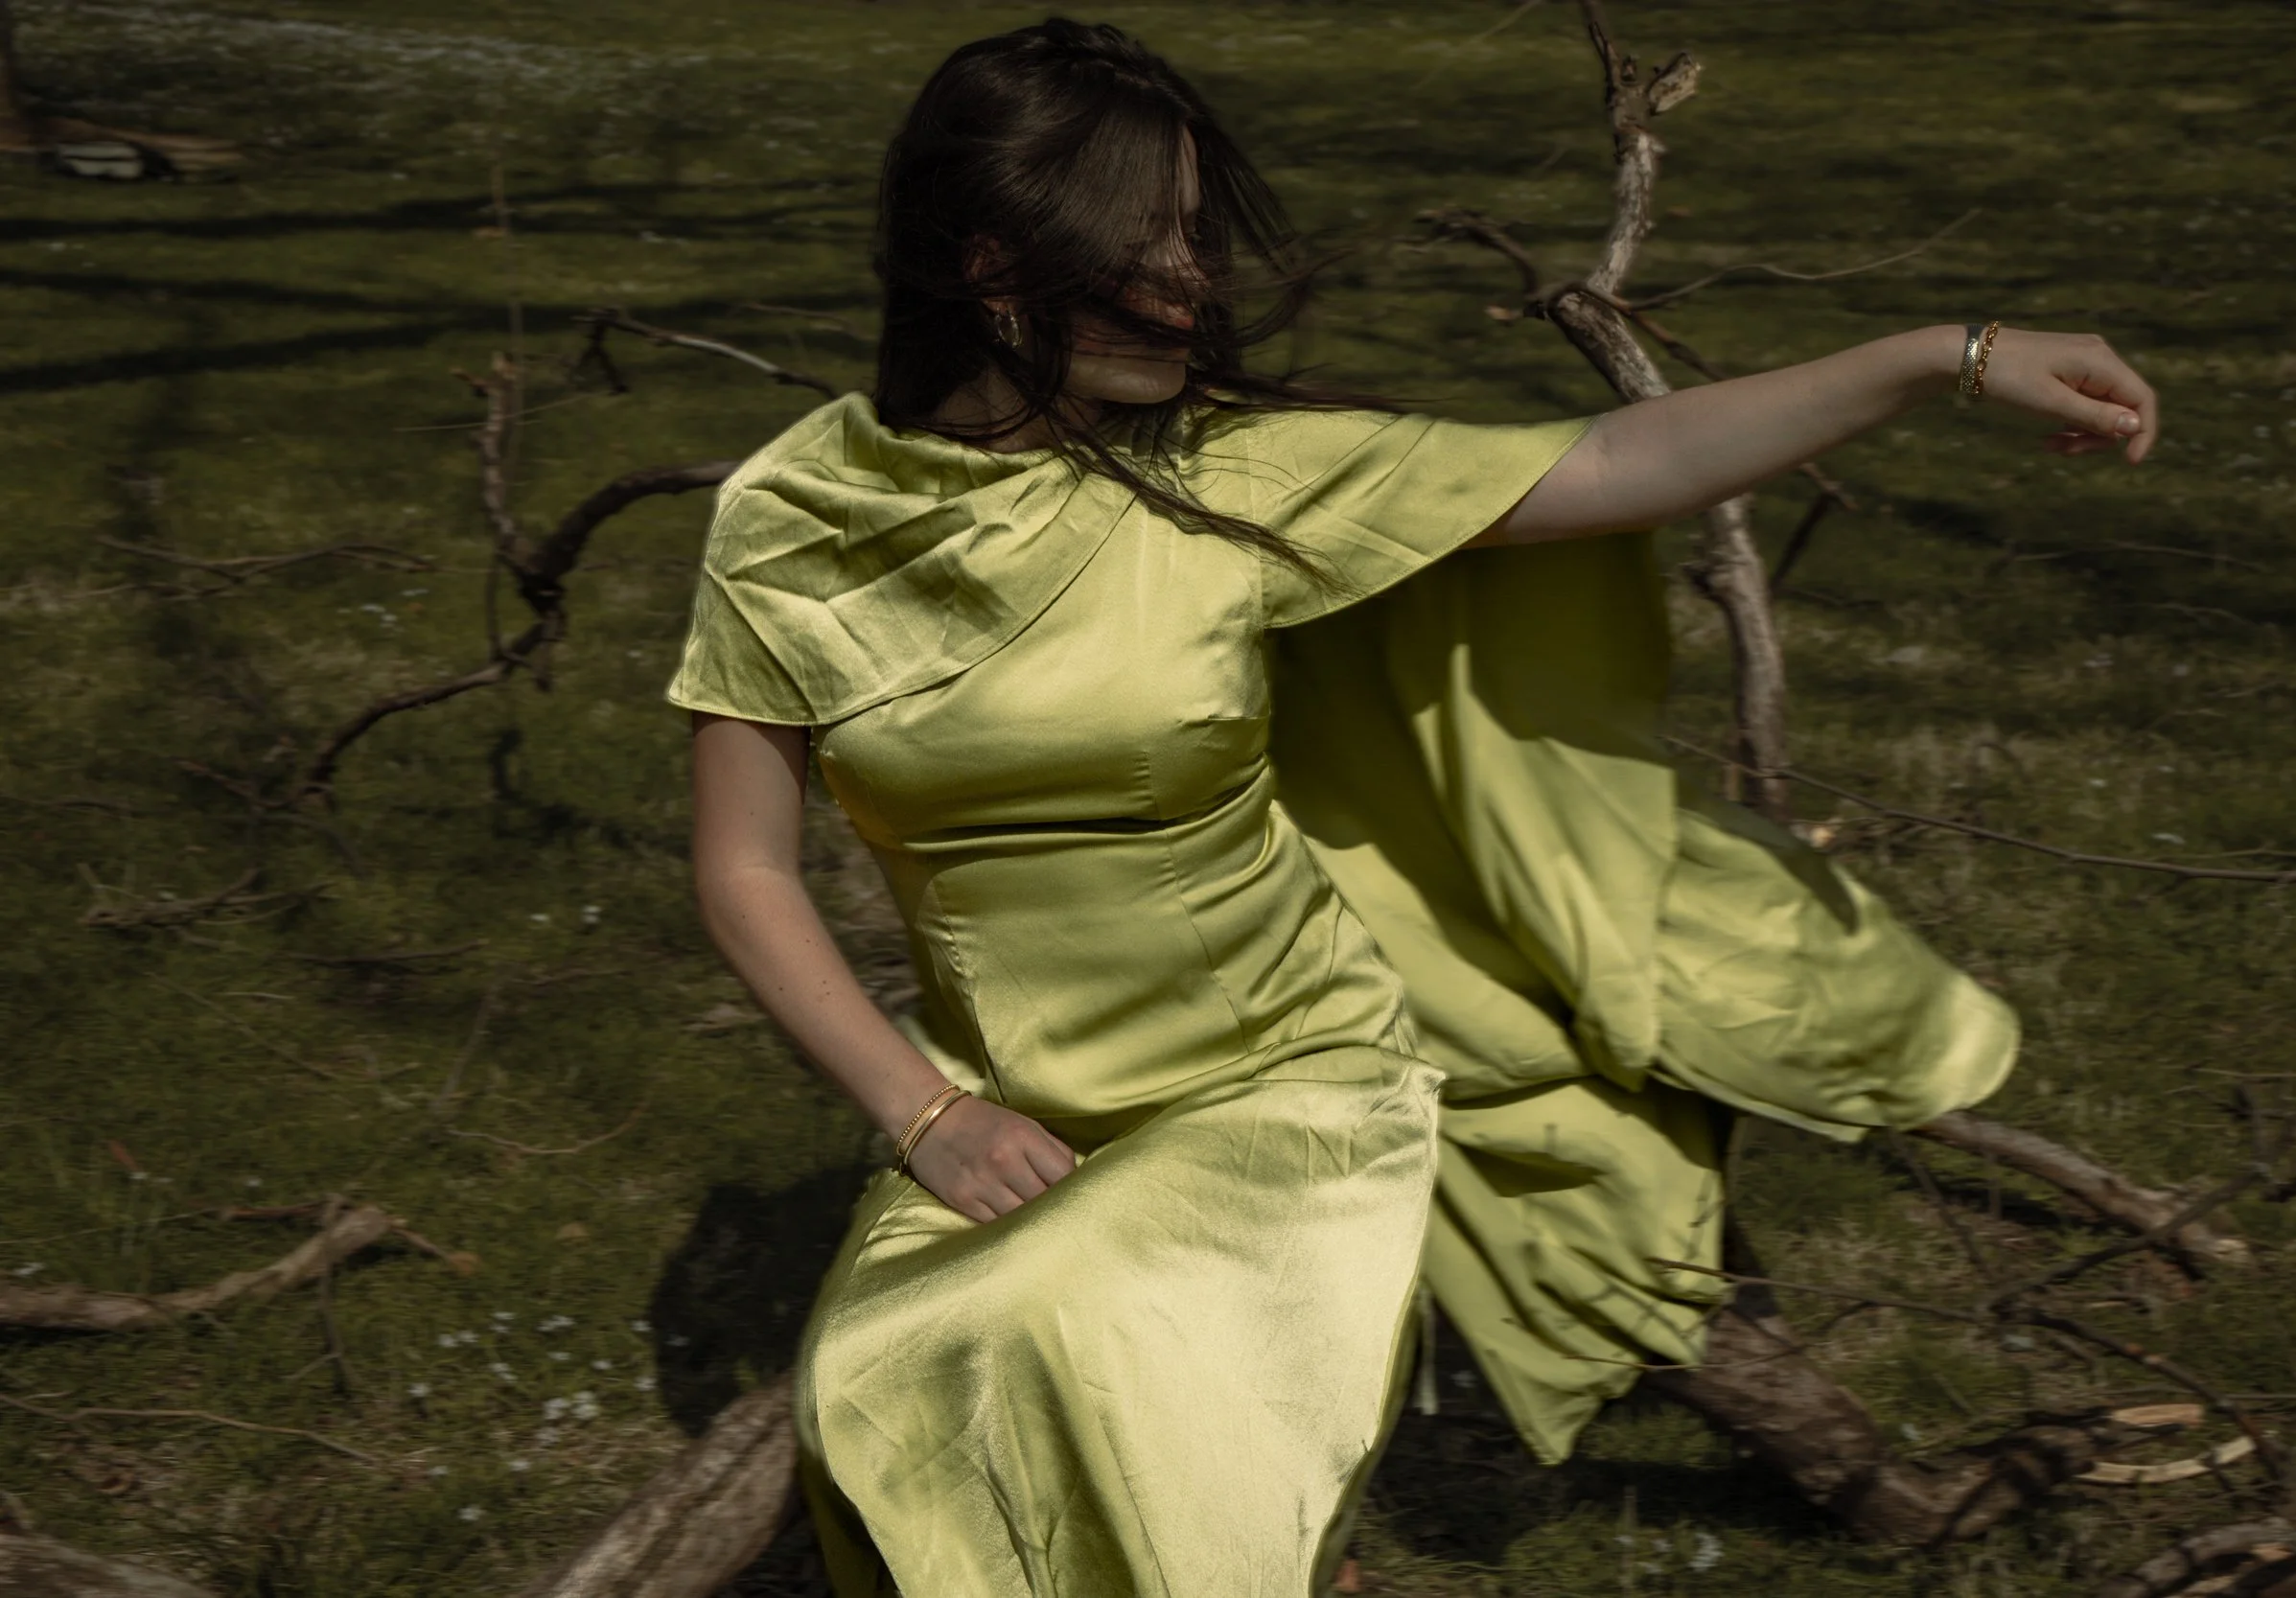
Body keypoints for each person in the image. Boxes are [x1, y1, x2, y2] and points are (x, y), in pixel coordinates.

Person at [669, 17, 2158, 1596]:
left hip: (1278, 1078)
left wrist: (1944, 355)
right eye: (1151, 243)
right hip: (1003, 1096)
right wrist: (928, 1114)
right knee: (900, 1377)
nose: (1196, 281)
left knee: (1032, 1336)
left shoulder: (1234, 476)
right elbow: (746, 869)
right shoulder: (797, 522)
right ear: (993, 265)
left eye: (1200, 236)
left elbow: (1611, 462)